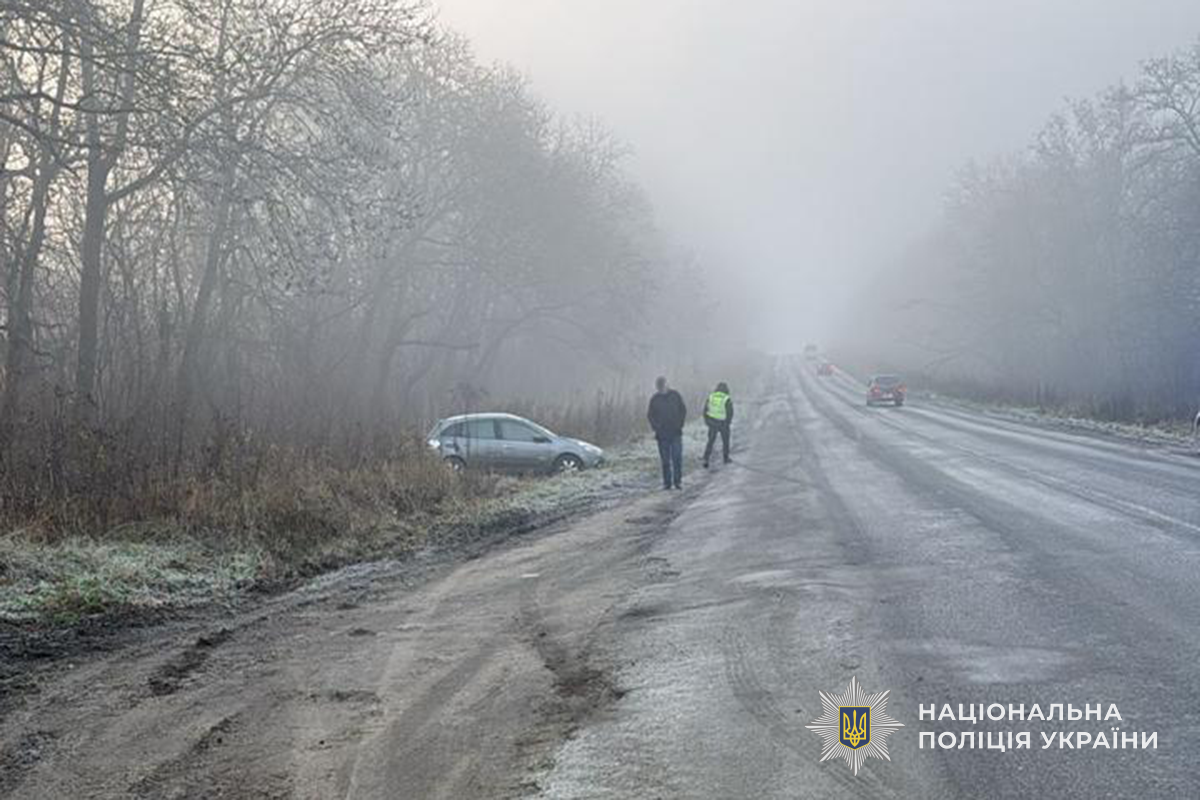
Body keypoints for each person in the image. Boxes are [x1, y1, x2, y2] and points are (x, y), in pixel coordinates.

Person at [647, 376, 687, 490]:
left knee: (677, 458)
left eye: (663, 386)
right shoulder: (654, 399)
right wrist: (656, 427)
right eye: (659, 387)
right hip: (662, 435)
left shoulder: (675, 395)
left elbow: (683, 410)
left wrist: (680, 424)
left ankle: (678, 481)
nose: (661, 389)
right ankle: (667, 483)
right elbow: (650, 415)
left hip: (676, 433)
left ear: (667, 385)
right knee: (665, 461)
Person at [702, 381, 733, 468]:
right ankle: (726, 458)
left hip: (712, 423)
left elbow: (705, 410)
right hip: (723, 423)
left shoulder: (711, 397)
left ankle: (706, 458)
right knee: (725, 441)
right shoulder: (726, 398)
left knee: (710, 441)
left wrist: (707, 421)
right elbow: (730, 412)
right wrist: (728, 423)